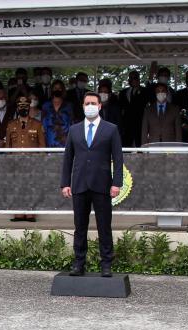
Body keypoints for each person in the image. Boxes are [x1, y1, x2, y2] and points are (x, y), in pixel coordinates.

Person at [61, 91, 124, 277]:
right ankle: (79, 263)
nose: (90, 106)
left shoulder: (110, 129)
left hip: (102, 185)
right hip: (79, 185)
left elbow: (118, 158)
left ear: (99, 106)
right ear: (82, 106)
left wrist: (116, 183)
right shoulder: (74, 130)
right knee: (80, 226)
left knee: (104, 226)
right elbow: (68, 159)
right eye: (87, 103)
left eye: (93, 103)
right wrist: (65, 183)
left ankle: (106, 264)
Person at [6, 95, 46, 223]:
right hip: (16, 162)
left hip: (32, 162)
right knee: (17, 187)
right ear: (17, 108)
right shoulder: (11, 125)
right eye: (20, 106)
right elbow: (8, 147)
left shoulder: (37, 124)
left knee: (31, 187)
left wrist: (40, 162)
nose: (23, 108)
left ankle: (30, 213)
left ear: (29, 107)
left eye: (25, 106)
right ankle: (18, 213)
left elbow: (42, 146)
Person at [41, 80, 72, 148]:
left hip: (65, 141)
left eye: (59, 88)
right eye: (55, 88)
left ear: (63, 90)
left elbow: (72, 124)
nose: (57, 90)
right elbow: (43, 125)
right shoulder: (46, 106)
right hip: (49, 140)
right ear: (52, 90)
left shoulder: (69, 106)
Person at [119, 71, 146, 147]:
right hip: (127, 126)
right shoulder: (123, 92)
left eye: (135, 78)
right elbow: (120, 109)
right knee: (126, 148)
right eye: (131, 78)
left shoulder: (145, 91)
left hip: (140, 125)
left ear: (139, 79)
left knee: (140, 148)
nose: (133, 80)